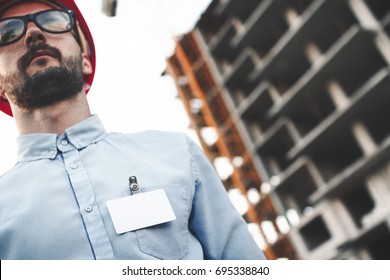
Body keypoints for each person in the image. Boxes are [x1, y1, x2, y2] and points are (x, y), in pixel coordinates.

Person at [0, 0, 266, 260]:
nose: (34, 33)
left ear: (86, 61)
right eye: (8, 31)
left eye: (53, 22)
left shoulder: (175, 153)